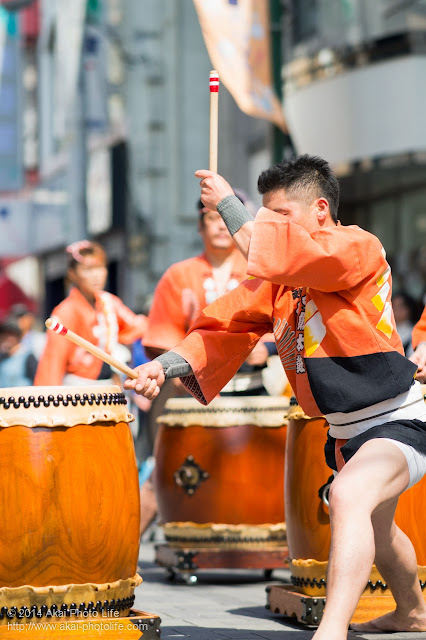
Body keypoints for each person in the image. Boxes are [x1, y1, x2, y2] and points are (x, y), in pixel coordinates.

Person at [125, 155, 426, 638]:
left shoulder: (357, 247)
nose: (268, 227)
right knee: (382, 531)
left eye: (280, 216)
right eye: (263, 217)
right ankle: (413, 612)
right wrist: (161, 367)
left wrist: (226, 202)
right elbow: (224, 328)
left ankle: (331, 630)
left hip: (398, 415)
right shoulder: (277, 285)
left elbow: (287, 255)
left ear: (321, 210)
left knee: (348, 496)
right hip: (347, 428)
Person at [35, 240, 147, 386]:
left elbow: (137, 327)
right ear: (72, 274)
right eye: (87, 269)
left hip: (111, 384)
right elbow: (52, 363)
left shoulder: (109, 302)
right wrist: (47, 402)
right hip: (79, 387)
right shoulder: (65, 311)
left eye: (100, 267)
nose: (96, 275)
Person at [0, 317, 38, 387]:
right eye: (4, 335)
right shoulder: (2, 357)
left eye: (10, 335)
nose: (6, 338)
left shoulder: (28, 357)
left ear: (18, 337)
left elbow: (36, 380)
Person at [392, 291, 421, 357]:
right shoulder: (386, 331)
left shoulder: (415, 332)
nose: (395, 310)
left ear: (408, 309)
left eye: (400, 306)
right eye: (393, 306)